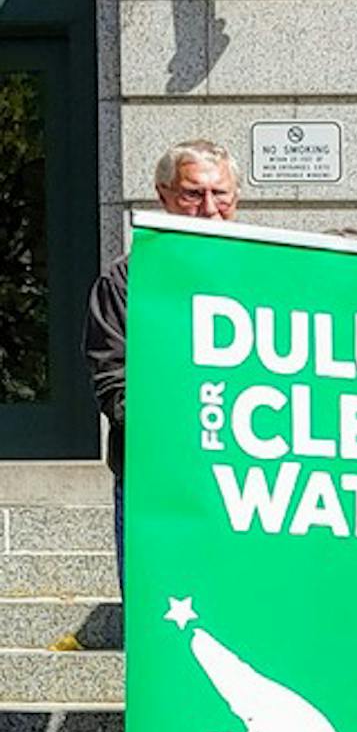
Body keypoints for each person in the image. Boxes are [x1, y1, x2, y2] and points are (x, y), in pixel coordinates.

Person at [84, 138, 240, 581]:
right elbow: (114, 380)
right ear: (163, 196)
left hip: (254, 487)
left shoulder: (269, 275)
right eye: (192, 194)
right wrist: (184, 437)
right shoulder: (126, 282)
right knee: (159, 622)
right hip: (161, 485)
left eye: (220, 193)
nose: (209, 207)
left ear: (237, 197)